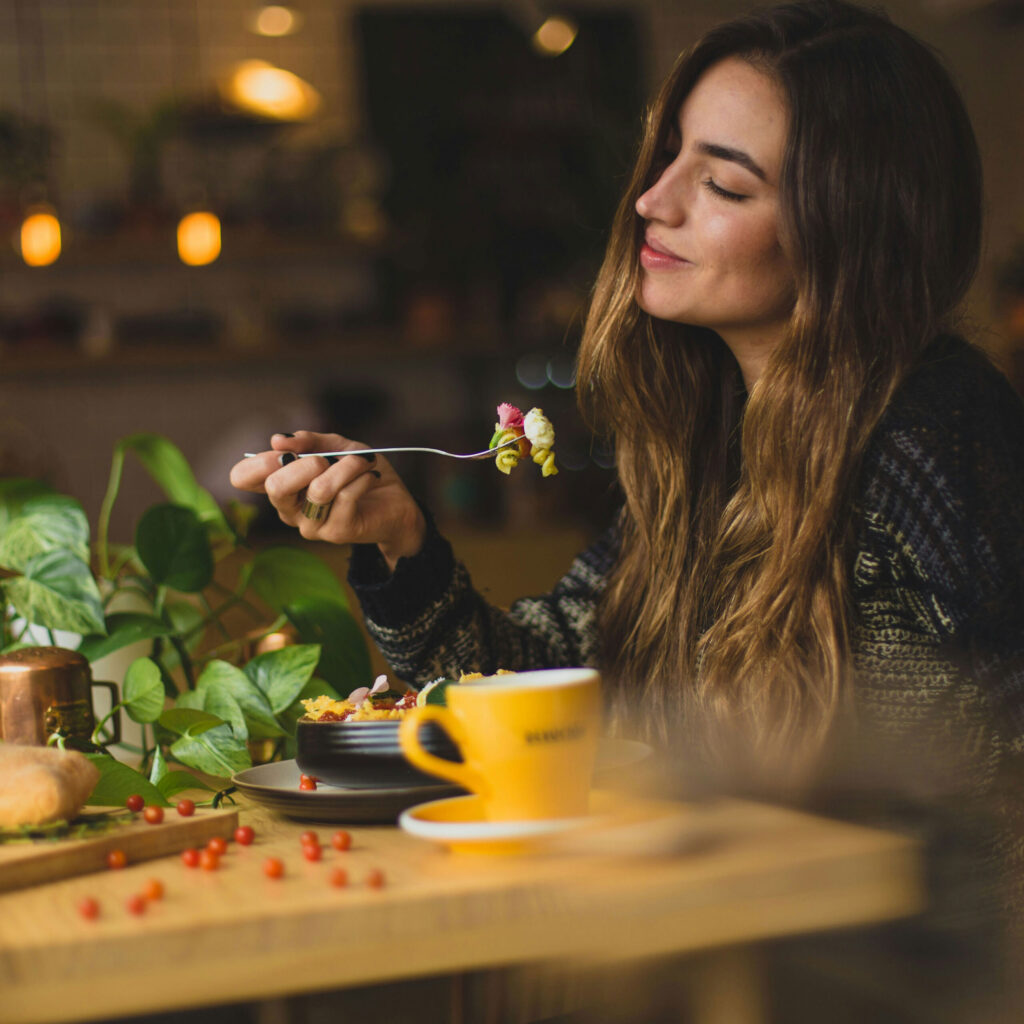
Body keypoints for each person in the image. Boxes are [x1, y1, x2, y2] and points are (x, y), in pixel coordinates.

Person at [233, 0, 1023, 939]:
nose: (654, 200)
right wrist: (404, 546)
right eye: (672, 155)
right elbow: (551, 693)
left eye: (724, 186)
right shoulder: (717, 439)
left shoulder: (928, 437)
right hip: (734, 945)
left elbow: (954, 816)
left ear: (850, 230)